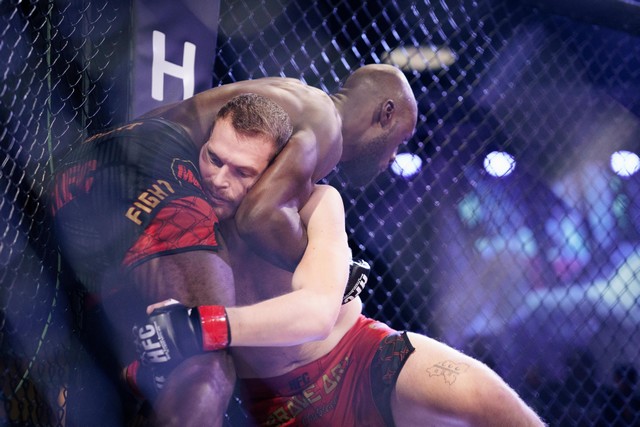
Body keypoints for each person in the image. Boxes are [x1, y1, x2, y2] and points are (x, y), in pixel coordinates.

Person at [141, 64, 418, 271]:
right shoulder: (327, 128)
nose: (394, 156)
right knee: (216, 286)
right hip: (152, 168)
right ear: (387, 113)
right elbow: (260, 218)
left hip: (141, 150)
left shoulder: (305, 102)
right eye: (401, 140)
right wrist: (328, 265)